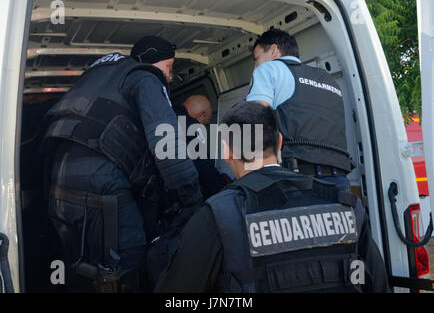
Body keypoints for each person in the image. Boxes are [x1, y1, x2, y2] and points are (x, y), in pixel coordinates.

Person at [154, 102, 390, 293]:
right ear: (279, 142)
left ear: (226, 151)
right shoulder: (345, 203)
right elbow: (378, 285)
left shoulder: (218, 216)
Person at [42, 36, 203, 292]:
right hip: (102, 191)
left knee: (81, 268)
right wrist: (192, 201)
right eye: (170, 67)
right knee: (129, 267)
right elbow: (167, 145)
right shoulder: (145, 78)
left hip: (58, 189)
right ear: (153, 60)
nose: (170, 77)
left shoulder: (97, 76)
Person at [247, 29, 353, 190]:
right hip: (339, 179)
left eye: (257, 59)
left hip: (293, 178)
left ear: (274, 50)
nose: (255, 67)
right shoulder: (329, 80)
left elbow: (254, 120)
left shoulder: (269, 69)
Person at [173, 95, 228, 198]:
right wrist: (224, 191)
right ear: (201, 115)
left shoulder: (167, 114)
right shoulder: (192, 125)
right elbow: (204, 168)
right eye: (204, 124)